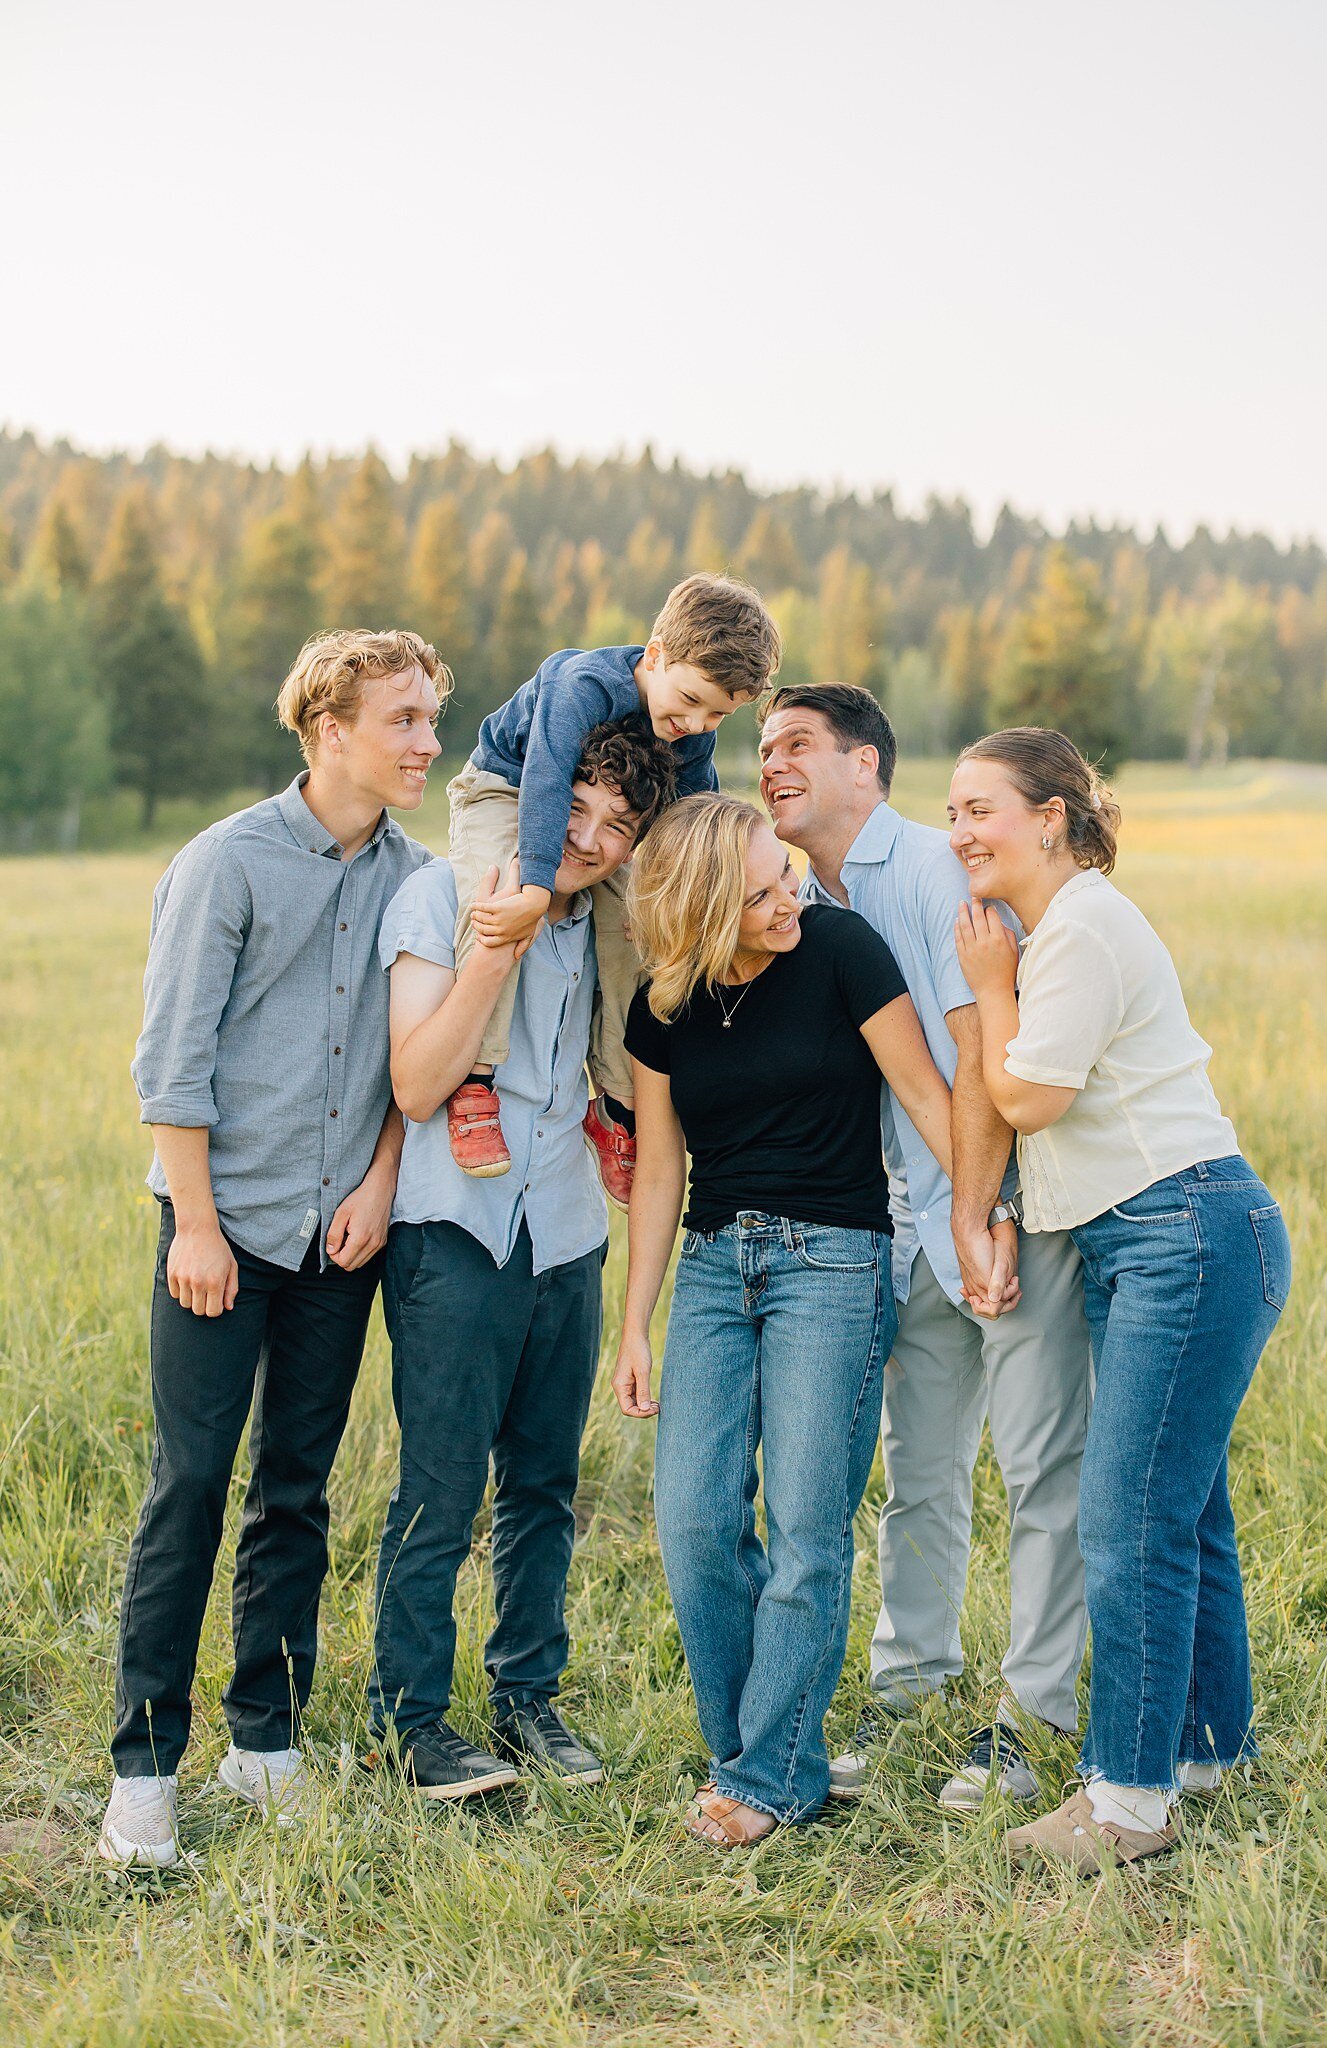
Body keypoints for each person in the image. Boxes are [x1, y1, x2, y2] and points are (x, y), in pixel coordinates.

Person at [99, 630, 446, 1870]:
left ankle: (266, 1744)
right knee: (191, 1483)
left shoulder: (420, 876)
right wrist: (194, 1222)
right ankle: (142, 1772)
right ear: (329, 726)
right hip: (221, 1225)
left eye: (429, 718)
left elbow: (420, 1069)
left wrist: (381, 1181)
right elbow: (170, 1063)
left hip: (337, 1231)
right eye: (402, 719)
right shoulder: (227, 863)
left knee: (296, 1488)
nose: (425, 742)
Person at [951, 725, 1291, 1873]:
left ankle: (1128, 1801)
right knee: (1184, 1508)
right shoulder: (1063, 927)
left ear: (1050, 815)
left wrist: (989, 986)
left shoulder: (1080, 925)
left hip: (1183, 1229)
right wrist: (994, 1215)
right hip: (1166, 1232)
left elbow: (1032, 1098)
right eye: (950, 811)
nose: (959, 832)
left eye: (980, 807)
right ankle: (1203, 1747)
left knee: (1132, 1511)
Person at [757, 684, 1093, 1811]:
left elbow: (979, 1067)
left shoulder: (936, 872)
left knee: (1041, 1467)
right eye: (762, 748)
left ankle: (1032, 1714)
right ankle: (910, 1684)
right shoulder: (800, 893)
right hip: (899, 1225)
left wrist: (976, 1210)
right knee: (922, 1471)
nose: (772, 763)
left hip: (1001, 1213)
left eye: (798, 743)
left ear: (868, 768)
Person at [613, 793, 958, 1847]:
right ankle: (763, 1751)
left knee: (808, 1530)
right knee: (694, 1523)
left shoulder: (842, 947)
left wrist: (985, 1216)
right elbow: (662, 1163)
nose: (791, 893)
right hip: (716, 1269)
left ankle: (766, 1773)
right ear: (708, 905)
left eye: (787, 869)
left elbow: (930, 1098)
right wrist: (635, 1321)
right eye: (762, 887)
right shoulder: (661, 1003)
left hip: (836, 1261)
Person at [367, 719, 677, 1799]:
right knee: (441, 1485)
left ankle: (525, 1698)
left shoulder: (606, 924)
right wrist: (494, 945)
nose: (588, 839)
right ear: (541, 799)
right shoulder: (439, 896)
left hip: (565, 1233)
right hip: (454, 1231)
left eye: (615, 824)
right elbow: (415, 1083)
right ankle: (408, 1719)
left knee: (544, 1483)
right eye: (575, 808)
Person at [445, 573, 781, 1201]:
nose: (696, 722)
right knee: (497, 899)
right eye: (689, 700)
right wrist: (537, 891)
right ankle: (476, 1079)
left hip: (599, 818)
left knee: (633, 934)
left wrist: (682, 899)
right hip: (508, 786)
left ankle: (618, 1106)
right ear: (655, 655)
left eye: (717, 713)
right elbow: (546, 776)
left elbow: (692, 818)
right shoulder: (584, 686)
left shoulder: (692, 729)